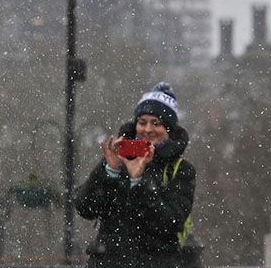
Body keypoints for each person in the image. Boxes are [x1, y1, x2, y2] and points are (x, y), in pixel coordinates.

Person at [74, 82, 196, 268]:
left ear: (169, 130)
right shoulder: (118, 158)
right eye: (142, 122)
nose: (148, 129)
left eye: (156, 123)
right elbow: (85, 208)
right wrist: (109, 171)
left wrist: (140, 181)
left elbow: (171, 222)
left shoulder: (180, 169)